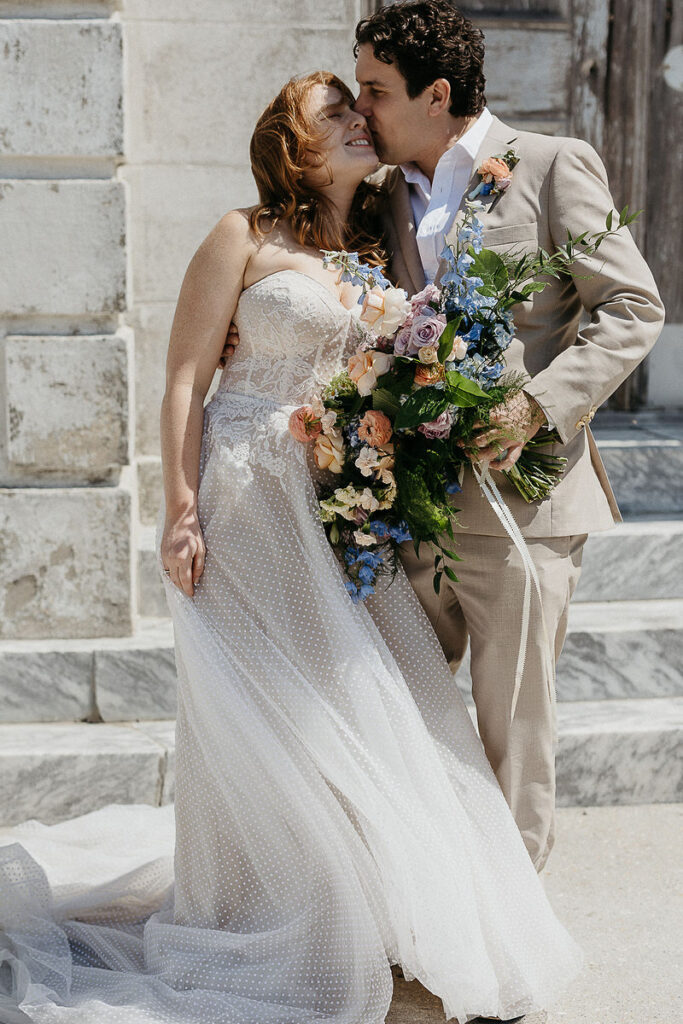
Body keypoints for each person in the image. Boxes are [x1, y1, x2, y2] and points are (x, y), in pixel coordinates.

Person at [0, 72, 583, 1024]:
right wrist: (178, 509)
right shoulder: (242, 233)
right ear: (292, 142)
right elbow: (184, 380)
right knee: (264, 711)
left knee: (362, 707)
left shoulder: (369, 249)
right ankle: (272, 917)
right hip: (241, 497)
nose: (360, 121)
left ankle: (379, 920)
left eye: (363, 109)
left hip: (333, 506)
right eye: (337, 114)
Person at [350, 0, 665, 874]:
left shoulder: (553, 165)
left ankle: (510, 951)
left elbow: (633, 307)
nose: (359, 106)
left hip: (523, 507)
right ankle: (421, 908)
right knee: (390, 720)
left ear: (435, 93)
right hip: (403, 506)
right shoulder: (373, 196)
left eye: (375, 90)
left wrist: (535, 404)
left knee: (513, 735)